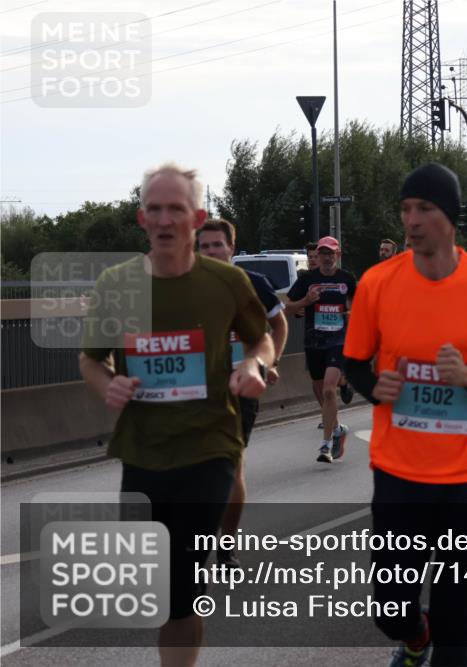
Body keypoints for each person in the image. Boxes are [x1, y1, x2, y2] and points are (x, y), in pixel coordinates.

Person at [342, 163, 467, 667]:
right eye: (406, 209)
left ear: (450, 218)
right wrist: (372, 387)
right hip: (398, 473)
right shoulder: (378, 282)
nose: (412, 220)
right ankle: (413, 636)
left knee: (456, 611)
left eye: (424, 209)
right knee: (389, 606)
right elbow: (353, 361)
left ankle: (438, 639)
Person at [79, 163, 273, 666]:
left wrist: (254, 364)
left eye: (177, 210)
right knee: (160, 591)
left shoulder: (227, 282)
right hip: (142, 451)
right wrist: (109, 383)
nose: (165, 219)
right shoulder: (118, 285)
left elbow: (262, 338)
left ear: (197, 218)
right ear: (143, 218)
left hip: (210, 445)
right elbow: (90, 357)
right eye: (155, 209)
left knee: (181, 584)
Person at [196, 219, 288, 569]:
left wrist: (269, 361)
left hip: (241, 384)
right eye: (204, 247)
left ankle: (227, 544)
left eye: (217, 245)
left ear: (231, 248)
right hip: (198, 387)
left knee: (232, 468)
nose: (211, 252)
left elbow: (278, 323)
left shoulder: (252, 284)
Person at [285, 236, 356, 463]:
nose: (327, 257)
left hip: (338, 341)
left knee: (328, 390)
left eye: (331, 253)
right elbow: (286, 308)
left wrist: (352, 314)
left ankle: (325, 446)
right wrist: (306, 301)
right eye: (323, 253)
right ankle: (336, 429)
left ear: (338, 255)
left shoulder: (347, 279)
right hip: (313, 343)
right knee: (319, 391)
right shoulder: (308, 279)